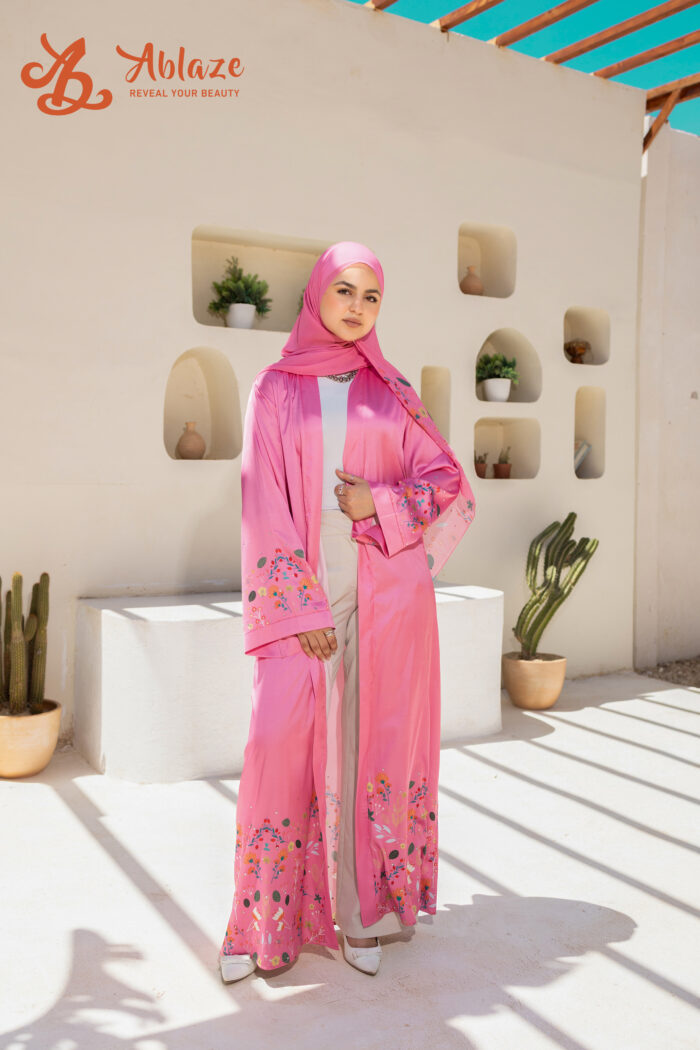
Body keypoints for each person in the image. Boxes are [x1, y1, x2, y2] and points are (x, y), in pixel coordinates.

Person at [219, 241, 476, 981]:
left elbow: (447, 480)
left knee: (375, 741)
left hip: (387, 584)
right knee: (278, 738)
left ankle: (366, 915)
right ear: (317, 294)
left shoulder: (390, 389)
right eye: (345, 291)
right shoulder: (273, 388)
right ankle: (261, 923)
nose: (358, 307)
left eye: (371, 296)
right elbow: (261, 501)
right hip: (301, 583)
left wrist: (380, 503)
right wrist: (301, 608)